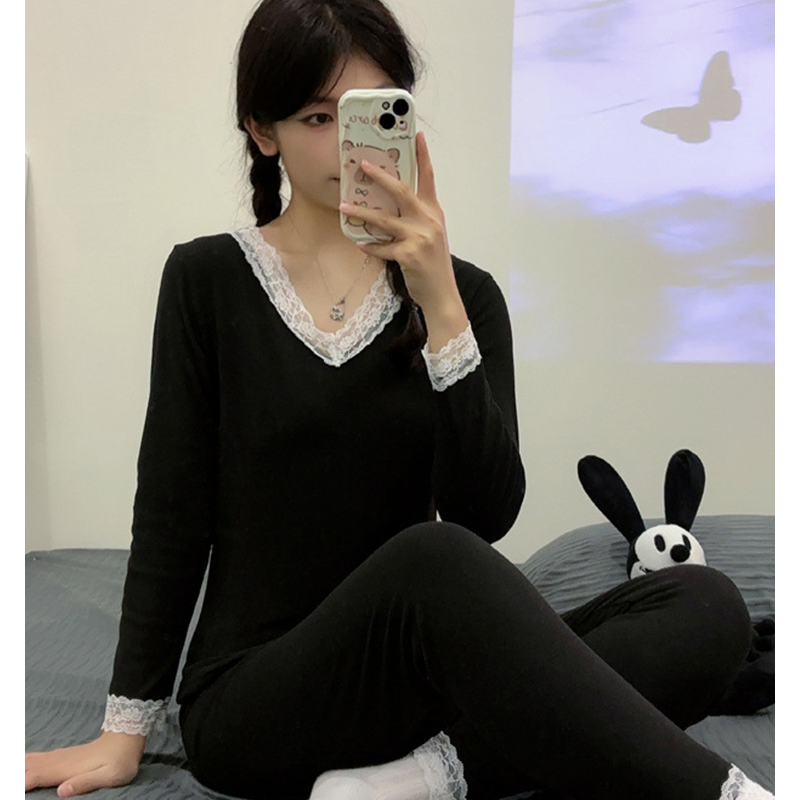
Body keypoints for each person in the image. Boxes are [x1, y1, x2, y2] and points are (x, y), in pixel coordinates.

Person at [25, 1, 774, 799]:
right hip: (259, 697)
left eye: (372, 112)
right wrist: (125, 730)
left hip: (419, 693)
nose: (351, 147)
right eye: (320, 118)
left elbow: (486, 512)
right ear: (262, 130)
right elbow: (170, 517)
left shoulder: (463, 295)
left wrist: (440, 302)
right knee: (434, 557)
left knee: (707, 607)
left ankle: (416, 780)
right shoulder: (206, 280)